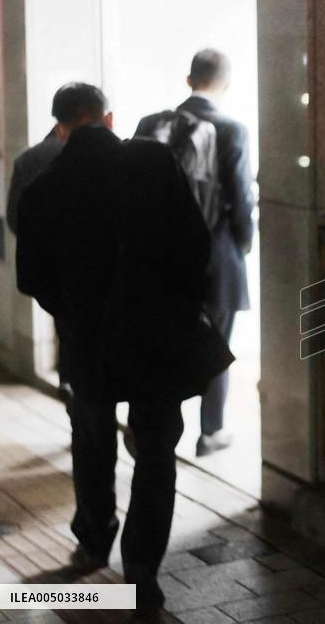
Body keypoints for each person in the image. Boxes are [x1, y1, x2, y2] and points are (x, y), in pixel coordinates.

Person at [16, 83, 212, 614]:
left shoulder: (43, 187)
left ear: (60, 127)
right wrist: (175, 305)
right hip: (156, 338)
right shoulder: (152, 160)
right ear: (108, 117)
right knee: (155, 453)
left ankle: (94, 536)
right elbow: (196, 245)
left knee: (92, 436)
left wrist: (74, 313)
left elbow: (32, 278)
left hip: (89, 341)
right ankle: (142, 570)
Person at [135, 48, 255, 457]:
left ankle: (155, 427)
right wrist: (243, 242)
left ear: (189, 80)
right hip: (215, 255)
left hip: (161, 256)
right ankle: (212, 430)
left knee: (165, 337)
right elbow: (241, 200)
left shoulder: (152, 124)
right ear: (226, 83)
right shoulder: (231, 129)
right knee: (216, 341)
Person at [6, 92, 69, 402]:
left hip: (50, 268)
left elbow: (14, 217)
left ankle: (68, 381)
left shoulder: (29, 159)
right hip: (97, 269)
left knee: (65, 325)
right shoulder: (117, 157)